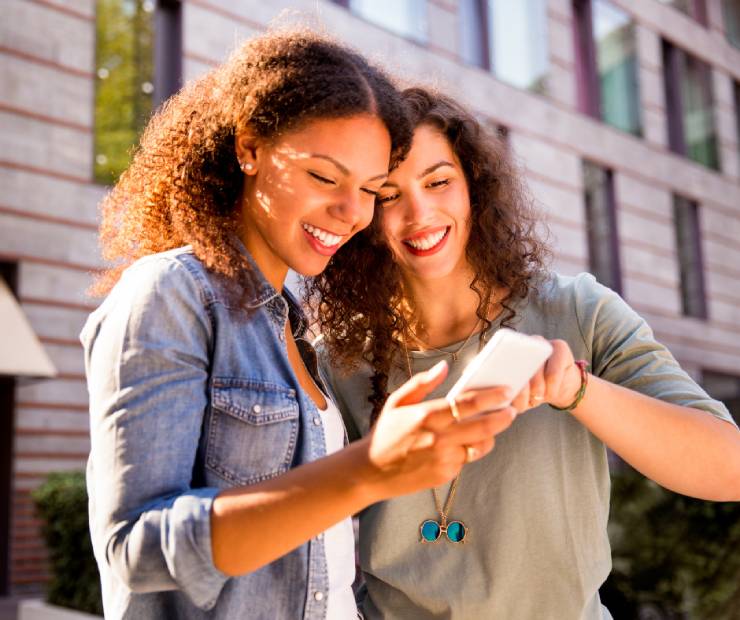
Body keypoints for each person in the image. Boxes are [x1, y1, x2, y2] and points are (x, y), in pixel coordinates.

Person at [81, 35, 518, 620]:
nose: (352, 213)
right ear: (249, 149)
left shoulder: (290, 322)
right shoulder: (171, 294)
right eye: (323, 177)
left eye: (369, 190)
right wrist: (365, 472)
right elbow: (137, 549)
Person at [312, 87, 740, 619]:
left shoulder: (578, 310)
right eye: (389, 194)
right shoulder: (338, 357)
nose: (419, 213)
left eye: (439, 181)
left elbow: (729, 467)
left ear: (474, 187)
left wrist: (577, 390)